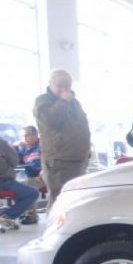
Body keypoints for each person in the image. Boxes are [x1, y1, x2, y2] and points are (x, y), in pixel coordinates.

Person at [33, 69, 92, 209]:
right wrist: (63, 101)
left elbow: (82, 126)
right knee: (59, 201)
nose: (64, 90)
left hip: (78, 159)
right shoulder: (43, 101)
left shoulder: (74, 102)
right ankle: (56, 230)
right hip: (59, 161)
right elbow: (50, 120)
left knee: (74, 202)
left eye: (67, 86)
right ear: (50, 84)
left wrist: (87, 150)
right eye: (60, 86)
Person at [0, 138, 39, 232]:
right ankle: (7, 215)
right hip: (4, 181)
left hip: (7, 180)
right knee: (32, 193)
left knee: (29, 189)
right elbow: (14, 161)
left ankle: (6, 215)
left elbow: (15, 161)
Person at [16, 125, 44, 225]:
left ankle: (31, 215)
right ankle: (21, 212)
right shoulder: (23, 148)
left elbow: (50, 158)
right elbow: (12, 159)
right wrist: (15, 146)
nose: (25, 139)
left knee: (28, 184)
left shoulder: (43, 144)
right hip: (30, 175)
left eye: (27, 136)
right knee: (19, 184)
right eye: (23, 136)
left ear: (36, 135)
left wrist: (45, 169)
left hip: (45, 174)